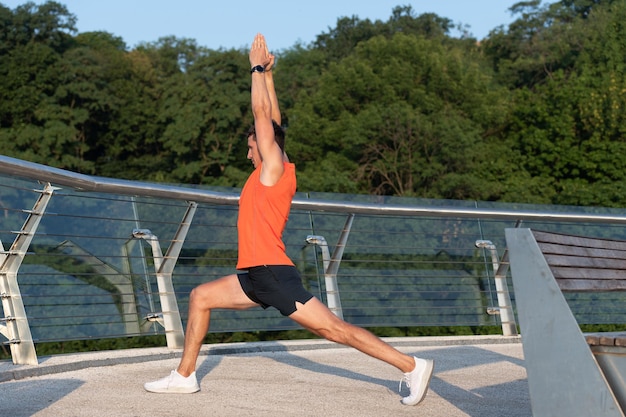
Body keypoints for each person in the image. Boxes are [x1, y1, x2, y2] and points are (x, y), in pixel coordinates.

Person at [144, 33, 434, 406]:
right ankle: (184, 376)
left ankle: (410, 365)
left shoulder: (273, 169)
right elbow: (274, 120)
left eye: (251, 146)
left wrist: (253, 67)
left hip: (271, 272)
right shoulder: (277, 167)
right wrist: (267, 75)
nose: (249, 153)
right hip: (254, 273)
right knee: (200, 297)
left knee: (334, 330)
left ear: (264, 147)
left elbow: (264, 117)